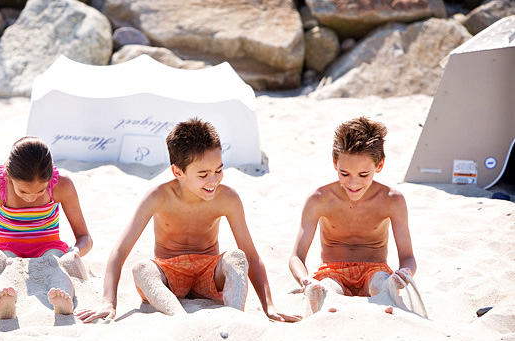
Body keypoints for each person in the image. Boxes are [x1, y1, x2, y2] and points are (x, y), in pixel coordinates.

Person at [75, 118, 301, 323]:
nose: (213, 180)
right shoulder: (158, 197)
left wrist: (268, 305)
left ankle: (235, 320)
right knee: (142, 268)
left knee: (237, 258)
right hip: (169, 274)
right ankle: (181, 320)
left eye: (219, 170)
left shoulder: (227, 198)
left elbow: (250, 255)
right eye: (203, 175)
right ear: (177, 172)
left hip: (209, 274)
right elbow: (119, 252)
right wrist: (108, 302)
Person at [289, 116, 417, 314]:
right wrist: (305, 280)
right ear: (335, 164)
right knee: (326, 291)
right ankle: (321, 302)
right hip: (331, 271)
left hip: (376, 269)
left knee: (382, 285)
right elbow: (296, 256)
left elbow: (408, 257)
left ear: (380, 165)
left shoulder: (392, 199)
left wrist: (404, 274)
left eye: (363, 175)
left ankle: (388, 299)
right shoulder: (319, 199)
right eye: (344, 173)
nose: (353, 183)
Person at [0, 137, 93, 319]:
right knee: (2, 267)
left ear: (50, 177)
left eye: (40, 191)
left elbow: (85, 237)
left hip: (49, 248)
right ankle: (5, 305)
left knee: (55, 263)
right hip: (8, 252)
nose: (31, 198)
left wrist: (74, 251)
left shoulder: (61, 185)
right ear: (8, 175)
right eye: (23, 191)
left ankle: (63, 300)